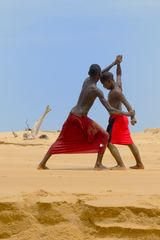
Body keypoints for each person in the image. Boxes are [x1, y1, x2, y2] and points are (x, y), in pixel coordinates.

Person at [37, 61, 134, 170]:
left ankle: (42, 163)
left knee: (61, 140)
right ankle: (98, 164)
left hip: (72, 115)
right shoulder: (97, 91)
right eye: (100, 75)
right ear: (98, 75)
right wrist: (128, 114)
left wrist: (113, 63)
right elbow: (111, 110)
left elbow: (100, 73)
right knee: (105, 136)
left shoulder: (86, 81)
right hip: (81, 118)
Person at [100, 56, 144, 170]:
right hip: (117, 119)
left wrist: (132, 116)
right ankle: (139, 164)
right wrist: (117, 63)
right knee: (129, 142)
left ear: (109, 81)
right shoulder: (117, 83)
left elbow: (128, 106)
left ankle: (120, 165)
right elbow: (114, 74)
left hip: (117, 119)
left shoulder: (116, 92)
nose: (103, 87)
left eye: (104, 84)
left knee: (107, 141)